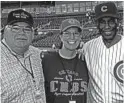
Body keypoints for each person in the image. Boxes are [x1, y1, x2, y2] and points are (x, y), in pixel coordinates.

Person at [1, 9, 46, 103]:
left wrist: (79, 51)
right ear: (5, 31)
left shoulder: (36, 53)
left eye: (27, 29)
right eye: (15, 28)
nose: (21, 32)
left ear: (33, 33)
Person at [83, 2, 124, 103]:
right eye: (102, 22)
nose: (107, 26)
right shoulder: (88, 47)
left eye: (110, 21)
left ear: (117, 22)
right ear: (97, 24)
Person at [41, 18, 89, 103]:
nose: (72, 37)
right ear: (61, 37)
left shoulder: (87, 60)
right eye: (67, 33)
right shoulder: (46, 60)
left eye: (76, 33)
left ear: (80, 36)